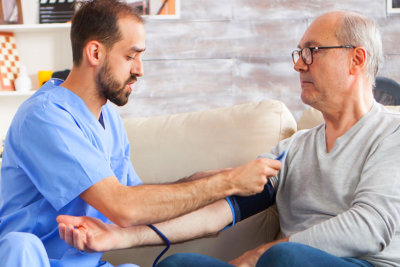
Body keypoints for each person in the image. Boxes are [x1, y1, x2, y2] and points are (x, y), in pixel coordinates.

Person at [57, 10, 400, 267]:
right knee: (178, 265)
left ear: (356, 59)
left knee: (286, 259)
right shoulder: (293, 150)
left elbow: (370, 227)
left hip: (358, 262)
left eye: (312, 51)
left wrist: (264, 253)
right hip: (278, 263)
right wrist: (120, 237)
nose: (299, 65)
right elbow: (217, 213)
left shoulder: (391, 134)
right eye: (299, 53)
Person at [0, 0, 282, 266]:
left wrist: (197, 182)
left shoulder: (107, 116)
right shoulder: (45, 117)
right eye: (130, 56)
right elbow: (123, 208)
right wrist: (228, 182)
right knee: (20, 244)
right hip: (33, 259)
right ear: (95, 53)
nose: (140, 70)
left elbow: (136, 199)